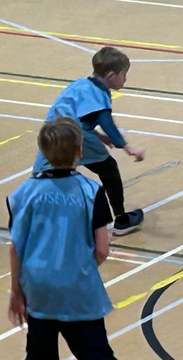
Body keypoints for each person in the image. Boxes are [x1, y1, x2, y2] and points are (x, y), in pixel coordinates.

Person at [6, 118, 157, 360]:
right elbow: (102, 248)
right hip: (79, 292)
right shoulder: (91, 192)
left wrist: (16, 290)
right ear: (78, 152)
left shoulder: (22, 194)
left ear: (42, 152)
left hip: (40, 291)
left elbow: (17, 247)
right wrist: (79, 269)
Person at [36, 46, 146, 236]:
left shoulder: (79, 85)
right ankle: (121, 220)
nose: (125, 79)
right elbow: (106, 123)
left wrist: (98, 135)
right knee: (108, 168)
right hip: (73, 136)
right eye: (124, 74)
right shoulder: (100, 94)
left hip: (50, 134)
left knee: (41, 176)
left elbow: (76, 115)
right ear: (111, 75)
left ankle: (38, 223)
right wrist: (127, 147)